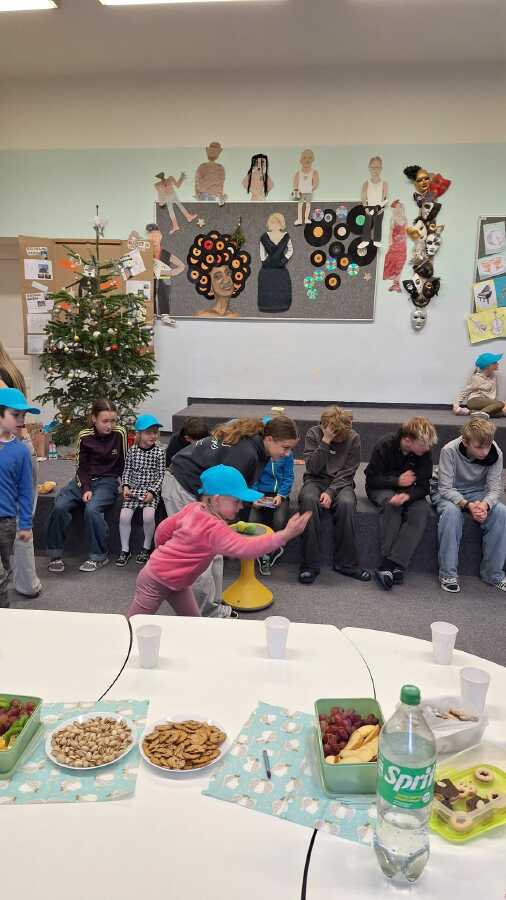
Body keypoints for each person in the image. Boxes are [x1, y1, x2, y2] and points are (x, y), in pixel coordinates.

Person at [127, 465, 310, 618]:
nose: (241, 506)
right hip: (155, 581)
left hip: (176, 582)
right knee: (133, 625)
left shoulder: (194, 507)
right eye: (236, 501)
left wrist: (160, 554)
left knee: (194, 624)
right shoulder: (214, 529)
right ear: (216, 499)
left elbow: (163, 530)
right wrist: (284, 535)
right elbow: (246, 549)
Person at [161, 415, 299, 616]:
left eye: (290, 449)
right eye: (285, 447)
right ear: (269, 439)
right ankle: (205, 616)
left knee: (214, 552)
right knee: (199, 558)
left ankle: (214, 607)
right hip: (183, 486)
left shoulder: (256, 445)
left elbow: (230, 491)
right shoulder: (247, 453)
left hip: (204, 491)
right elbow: (224, 494)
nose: (287, 454)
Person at [47, 399, 127, 574]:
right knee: (60, 506)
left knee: (92, 509)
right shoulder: (84, 436)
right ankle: (55, 554)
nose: (110, 425)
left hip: (107, 481)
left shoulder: (120, 433)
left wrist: (126, 485)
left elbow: (124, 463)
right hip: (83, 480)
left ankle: (99, 556)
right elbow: (81, 467)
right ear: (94, 419)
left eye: (113, 421)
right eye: (105, 421)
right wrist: (86, 488)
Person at [432, 418, 506, 594]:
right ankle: (448, 574)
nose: (485, 452)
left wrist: (485, 505)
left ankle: (493, 574)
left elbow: (495, 489)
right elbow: (445, 488)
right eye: (479, 447)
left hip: (477, 492)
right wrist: (467, 505)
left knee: (501, 511)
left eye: (488, 446)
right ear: (465, 442)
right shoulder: (449, 450)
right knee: (452, 512)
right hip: (446, 490)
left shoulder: (495, 452)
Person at [298, 406, 370, 585]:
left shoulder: (353, 437)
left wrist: (331, 491)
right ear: (324, 427)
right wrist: (326, 441)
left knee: (346, 503)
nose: (340, 439)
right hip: (315, 479)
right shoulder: (313, 433)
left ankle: (347, 564)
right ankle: (309, 565)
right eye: (336, 435)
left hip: (341, 482)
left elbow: (349, 471)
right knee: (308, 500)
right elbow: (313, 468)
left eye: (341, 436)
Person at [365, 416, 437, 590]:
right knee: (392, 506)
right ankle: (392, 563)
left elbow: (424, 486)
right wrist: (397, 481)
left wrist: (407, 496)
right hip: (382, 487)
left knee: (421, 511)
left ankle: (390, 564)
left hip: (410, 490)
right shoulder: (385, 445)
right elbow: (372, 479)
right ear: (407, 440)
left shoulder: (424, 453)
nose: (427, 449)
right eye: (423, 445)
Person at [0, 342, 41, 599]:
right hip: (21, 444)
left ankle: (25, 582)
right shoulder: (10, 370)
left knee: (19, 517)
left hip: (15, 447)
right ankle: (26, 583)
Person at [116, 414, 166, 568]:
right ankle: (125, 550)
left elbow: (161, 475)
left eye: (155, 432)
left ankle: (146, 547)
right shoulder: (132, 451)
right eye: (148, 432)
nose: (153, 436)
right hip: (133, 490)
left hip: (149, 491)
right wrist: (125, 486)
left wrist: (152, 492)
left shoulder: (159, 452)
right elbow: (127, 471)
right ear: (139, 434)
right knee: (124, 517)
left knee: (148, 516)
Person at [248, 417, 294, 576]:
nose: (286, 452)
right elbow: (253, 476)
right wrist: (254, 496)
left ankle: (272, 551)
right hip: (259, 493)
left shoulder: (287, 454)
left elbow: (289, 477)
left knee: (279, 520)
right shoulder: (259, 454)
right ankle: (259, 552)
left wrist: (281, 495)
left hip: (279, 494)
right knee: (253, 521)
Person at [187, 230, 251, 318]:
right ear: (209, 286)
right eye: (217, 276)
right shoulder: (201, 316)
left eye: (228, 273)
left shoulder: (237, 317)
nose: (226, 279)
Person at [257, 212, 293, 314]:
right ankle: (265, 305)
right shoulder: (264, 237)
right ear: (269, 224)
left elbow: (290, 250)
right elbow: (262, 251)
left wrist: (284, 260)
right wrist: (264, 261)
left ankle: (283, 304)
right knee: (266, 286)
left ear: (281, 224)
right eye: (273, 223)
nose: (275, 225)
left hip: (281, 268)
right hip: (267, 268)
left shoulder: (286, 236)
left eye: (277, 223)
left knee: (282, 286)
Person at [453, 353, 506, 418]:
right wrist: (456, 404)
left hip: (486, 402)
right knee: (500, 404)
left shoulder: (493, 376)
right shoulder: (476, 378)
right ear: (487, 366)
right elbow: (465, 392)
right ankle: (481, 413)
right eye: (495, 362)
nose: (498, 364)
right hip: (474, 401)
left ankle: (470, 412)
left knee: (503, 412)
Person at [359, 156, 388, 249]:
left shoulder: (384, 183)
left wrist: (382, 207)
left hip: (379, 207)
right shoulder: (366, 183)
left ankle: (377, 240)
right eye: (373, 167)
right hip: (369, 206)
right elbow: (363, 196)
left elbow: (384, 196)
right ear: (369, 168)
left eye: (378, 167)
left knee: (378, 222)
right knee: (367, 222)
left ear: (381, 168)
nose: (375, 170)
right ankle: (365, 240)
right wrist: (365, 207)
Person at [154, 171, 197, 235]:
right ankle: (177, 224)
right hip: (168, 197)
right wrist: (161, 202)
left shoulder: (170, 179)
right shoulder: (157, 184)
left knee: (178, 206)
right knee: (172, 210)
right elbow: (160, 194)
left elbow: (177, 185)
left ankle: (187, 217)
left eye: (161, 175)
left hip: (172, 195)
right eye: (160, 176)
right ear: (158, 177)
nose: (161, 176)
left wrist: (182, 177)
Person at [292, 149, 319, 225]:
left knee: (308, 205)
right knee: (300, 205)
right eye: (304, 158)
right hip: (300, 193)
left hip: (309, 192)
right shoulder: (298, 173)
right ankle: (299, 219)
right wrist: (296, 192)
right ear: (301, 160)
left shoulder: (314, 172)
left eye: (310, 158)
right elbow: (295, 184)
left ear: (312, 159)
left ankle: (306, 219)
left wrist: (311, 189)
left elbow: (316, 183)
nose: (307, 160)